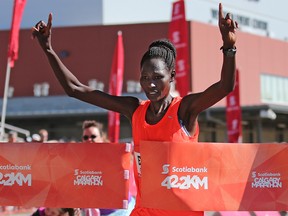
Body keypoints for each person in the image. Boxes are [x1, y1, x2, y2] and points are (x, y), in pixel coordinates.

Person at [32, 3, 237, 216]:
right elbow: (75, 89)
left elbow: (225, 86)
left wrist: (229, 47)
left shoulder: (184, 110)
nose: (151, 84)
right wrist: (48, 49)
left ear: (172, 77)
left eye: (158, 77)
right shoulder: (134, 109)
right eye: (145, 78)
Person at [81, 120, 135, 216]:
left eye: (93, 136)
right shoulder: (79, 162)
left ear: (102, 138)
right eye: (86, 137)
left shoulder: (114, 155)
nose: (89, 139)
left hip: (122, 211)